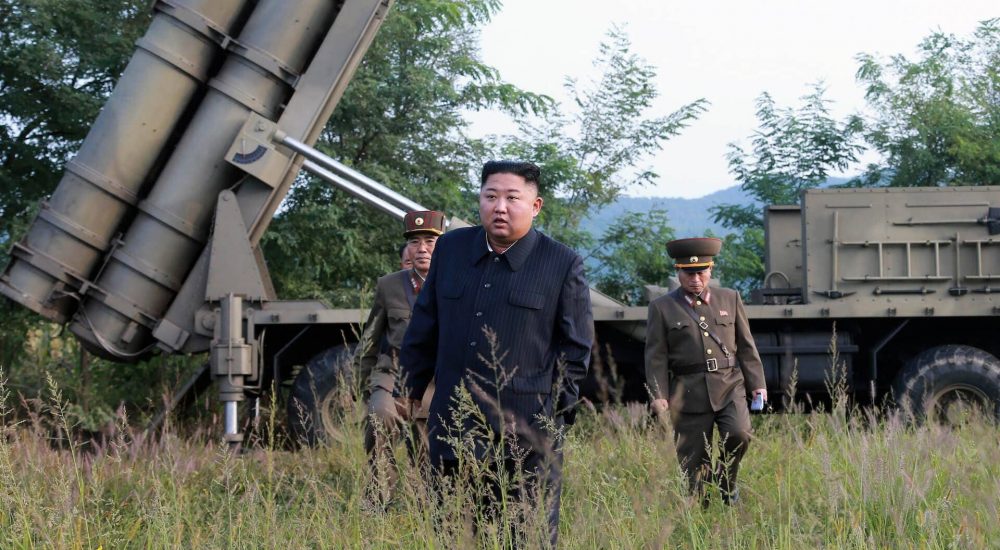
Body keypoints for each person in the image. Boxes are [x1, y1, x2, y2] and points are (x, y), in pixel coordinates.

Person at [400, 160, 592, 545]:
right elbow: (425, 323)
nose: (499, 207)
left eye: (512, 198)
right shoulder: (451, 249)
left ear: (535, 206)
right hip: (455, 421)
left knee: (526, 535)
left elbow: (576, 349)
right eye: (491, 196)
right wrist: (410, 388)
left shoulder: (561, 263)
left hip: (527, 431)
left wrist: (552, 416)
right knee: (455, 532)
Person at [645, 237, 767, 506]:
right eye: (689, 274)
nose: (695, 279)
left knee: (740, 433)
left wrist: (758, 384)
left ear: (711, 270)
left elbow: (746, 346)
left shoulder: (730, 298)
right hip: (688, 392)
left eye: (701, 272)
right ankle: (702, 513)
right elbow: (656, 356)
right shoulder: (662, 307)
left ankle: (726, 483)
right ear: (678, 272)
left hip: (729, 384)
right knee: (693, 464)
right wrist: (658, 394)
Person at [360, 210, 445, 510]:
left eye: (430, 242)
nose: (421, 248)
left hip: (435, 380)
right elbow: (370, 338)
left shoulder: (457, 284)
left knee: (427, 449)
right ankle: (379, 500)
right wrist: (363, 385)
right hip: (393, 374)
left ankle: (429, 506)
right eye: (415, 242)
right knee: (379, 416)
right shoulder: (389, 285)